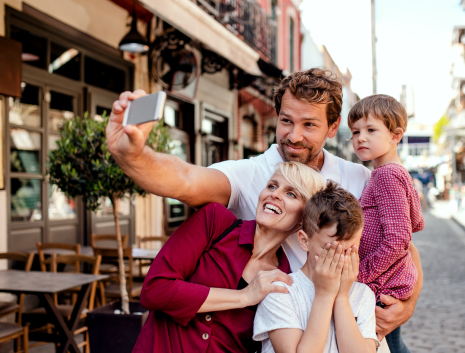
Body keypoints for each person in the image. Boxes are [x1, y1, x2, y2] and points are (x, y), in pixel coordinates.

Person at [106, 68, 423, 342]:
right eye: (286, 121)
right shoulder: (253, 171)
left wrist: (408, 303)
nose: (293, 136)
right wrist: (132, 155)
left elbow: (402, 243)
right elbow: (185, 179)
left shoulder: (359, 177)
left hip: (350, 324)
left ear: (332, 126)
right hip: (281, 327)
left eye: (309, 125)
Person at [133, 162, 326, 352]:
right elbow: (155, 290)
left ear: (303, 219)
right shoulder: (215, 222)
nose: (274, 194)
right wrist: (244, 296)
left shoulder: (282, 281)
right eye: (272, 186)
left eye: (291, 194)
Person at [253, 183, 378, 353]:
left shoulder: (362, 295)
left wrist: (341, 297)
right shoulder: (280, 293)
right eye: (330, 249)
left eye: (349, 250)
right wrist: (325, 295)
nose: (339, 259)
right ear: (304, 241)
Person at [348, 94, 426, 353]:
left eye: (371, 130)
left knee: (384, 346)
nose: (361, 137)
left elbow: (398, 240)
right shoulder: (393, 172)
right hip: (387, 281)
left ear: (396, 135)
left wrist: (360, 277)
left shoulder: (386, 175)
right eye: (355, 131)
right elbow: (415, 222)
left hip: (381, 285)